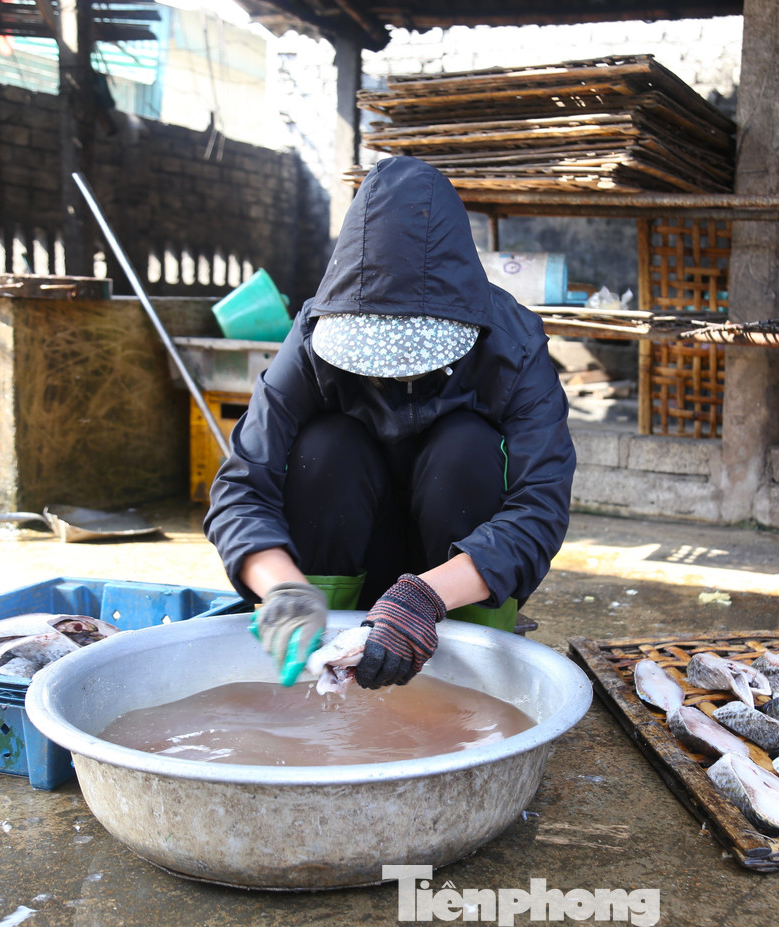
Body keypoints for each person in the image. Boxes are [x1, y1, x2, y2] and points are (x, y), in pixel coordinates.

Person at [204, 155, 576, 690]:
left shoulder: (512, 348)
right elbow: (242, 484)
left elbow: (539, 508)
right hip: (344, 546)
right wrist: (283, 588)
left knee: (466, 447)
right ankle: (320, 646)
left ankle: (469, 657)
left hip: (453, 579)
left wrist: (422, 598)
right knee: (327, 444)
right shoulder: (314, 338)